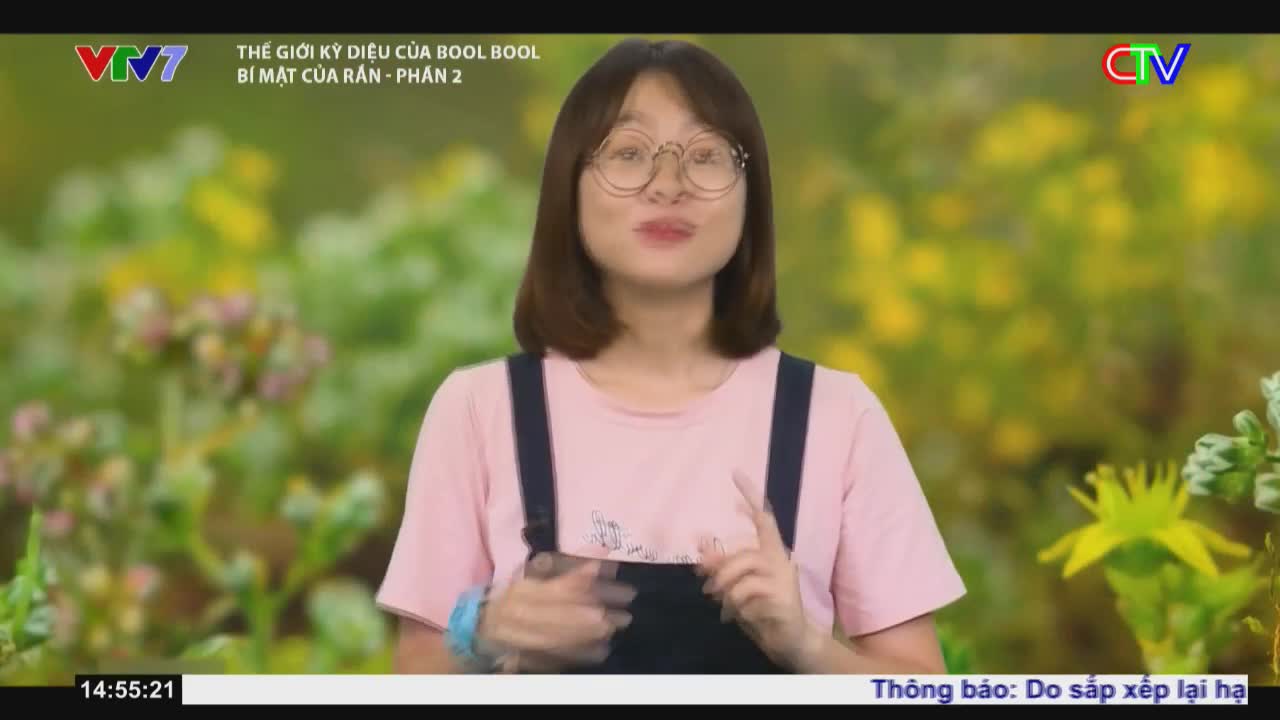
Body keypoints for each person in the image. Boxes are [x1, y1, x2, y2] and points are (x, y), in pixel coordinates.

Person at [375, 37, 966, 674]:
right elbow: (417, 671)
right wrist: (481, 631)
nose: (668, 183)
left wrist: (804, 645)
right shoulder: (479, 410)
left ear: (751, 197)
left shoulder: (837, 415)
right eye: (628, 153)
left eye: (706, 156)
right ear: (567, 190)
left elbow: (921, 685)